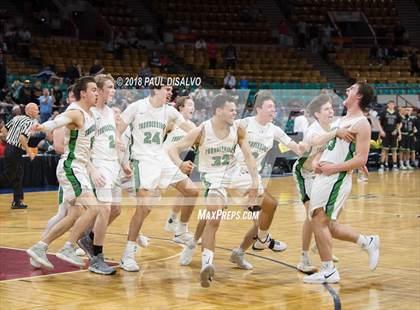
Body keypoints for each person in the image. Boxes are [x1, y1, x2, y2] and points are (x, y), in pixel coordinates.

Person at [168, 94, 270, 288]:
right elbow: (173, 149)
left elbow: (248, 155)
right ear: (218, 111)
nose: (235, 113)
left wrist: (255, 180)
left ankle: (200, 245)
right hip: (213, 179)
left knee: (211, 217)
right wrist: (180, 164)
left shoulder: (238, 130)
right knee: (214, 217)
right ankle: (207, 264)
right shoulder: (202, 130)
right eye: (231, 110)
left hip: (234, 177)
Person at [116, 78, 198, 272]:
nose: (170, 92)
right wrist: (118, 142)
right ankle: (127, 255)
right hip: (142, 161)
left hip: (161, 159)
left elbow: (191, 129)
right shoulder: (136, 107)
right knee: (143, 208)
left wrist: (212, 133)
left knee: (193, 192)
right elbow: (117, 130)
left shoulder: (169, 111)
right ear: (155, 89)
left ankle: (180, 230)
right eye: (166, 89)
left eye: (171, 89)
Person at [303, 83, 380, 284]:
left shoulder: (362, 123)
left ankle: (328, 270)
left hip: (336, 177)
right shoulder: (341, 120)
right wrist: (317, 159)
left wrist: (334, 168)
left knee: (318, 220)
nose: (347, 90)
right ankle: (367, 241)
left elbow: (361, 159)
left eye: (352, 89)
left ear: (359, 96)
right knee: (327, 224)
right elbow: (329, 145)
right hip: (325, 175)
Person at [26, 76, 100, 269]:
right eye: (93, 89)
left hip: (79, 167)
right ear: (82, 93)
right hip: (71, 167)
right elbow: (59, 121)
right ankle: (68, 247)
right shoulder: (76, 111)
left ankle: (40, 247)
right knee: (94, 208)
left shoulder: (90, 114)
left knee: (74, 213)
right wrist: (43, 126)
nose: (96, 93)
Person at [228, 91, 307, 270]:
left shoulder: (274, 129)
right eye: (270, 107)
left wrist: (304, 146)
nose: (274, 110)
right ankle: (264, 240)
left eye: (274, 107)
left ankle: (239, 253)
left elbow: (294, 146)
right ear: (259, 108)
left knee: (260, 223)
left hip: (254, 177)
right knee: (271, 204)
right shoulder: (244, 123)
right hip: (237, 175)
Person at [293, 94, 354, 273]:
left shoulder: (334, 125)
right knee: (312, 215)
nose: (331, 111)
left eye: (331, 108)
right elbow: (318, 141)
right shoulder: (314, 129)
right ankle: (303, 258)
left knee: (333, 210)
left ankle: (320, 243)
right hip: (305, 174)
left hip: (321, 173)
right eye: (326, 109)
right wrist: (335, 133)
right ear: (317, 114)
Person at [76, 74, 128, 275]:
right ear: (98, 90)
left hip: (112, 165)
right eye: (110, 87)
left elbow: (113, 133)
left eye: (114, 87)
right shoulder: (89, 114)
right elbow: (83, 146)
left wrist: (122, 159)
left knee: (116, 209)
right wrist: (91, 168)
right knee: (104, 209)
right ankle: (97, 258)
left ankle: (87, 238)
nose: (113, 90)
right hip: (98, 165)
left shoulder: (109, 112)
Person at [162, 96, 197, 238]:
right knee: (148, 201)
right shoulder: (172, 123)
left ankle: (175, 225)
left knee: (187, 192)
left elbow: (195, 146)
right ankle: (175, 226)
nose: (192, 108)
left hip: (177, 164)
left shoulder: (193, 127)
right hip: (162, 163)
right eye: (189, 105)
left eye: (193, 105)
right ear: (181, 108)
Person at [1, 102, 38, 209]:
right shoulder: (30, 122)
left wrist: (10, 139)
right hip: (15, 150)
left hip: (9, 148)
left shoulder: (17, 118)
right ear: (29, 111)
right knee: (9, 176)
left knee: (17, 174)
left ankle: (17, 201)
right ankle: (17, 201)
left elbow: (4, 130)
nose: (38, 112)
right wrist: (29, 151)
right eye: (36, 110)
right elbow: (22, 138)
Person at [378, 100, 402, 172]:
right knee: (384, 149)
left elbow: (399, 123)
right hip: (385, 133)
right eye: (390, 104)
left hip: (394, 133)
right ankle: (382, 165)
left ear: (394, 105)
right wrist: (381, 131)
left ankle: (395, 165)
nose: (391, 105)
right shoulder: (384, 112)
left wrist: (397, 130)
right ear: (388, 105)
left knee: (394, 149)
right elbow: (379, 123)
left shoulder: (397, 113)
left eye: (393, 104)